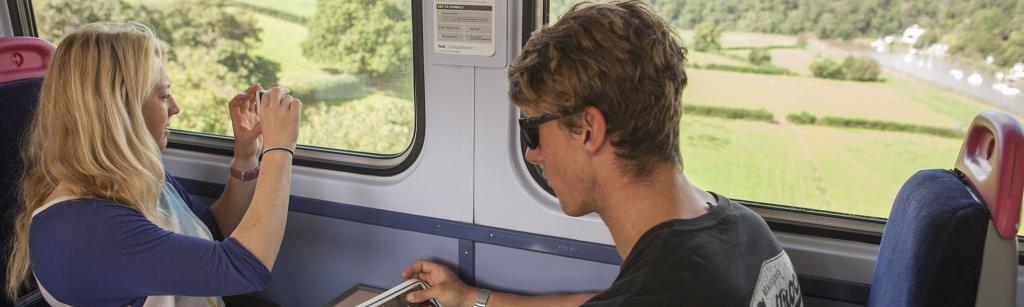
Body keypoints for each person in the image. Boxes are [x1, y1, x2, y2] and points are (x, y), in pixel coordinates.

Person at [402, 1, 802, 306]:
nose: (532, 155)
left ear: (588, 129)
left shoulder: (661, 289)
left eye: (533, 131)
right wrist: (473, 298)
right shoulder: (744, 230)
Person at [4, 22, 302, 306]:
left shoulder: (131, 177)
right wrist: (279, 150)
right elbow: (245, 268)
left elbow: (212, 229)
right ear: (121, 109)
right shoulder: (82, 229)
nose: (175, 108)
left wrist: (246, 155)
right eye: (163, 95)